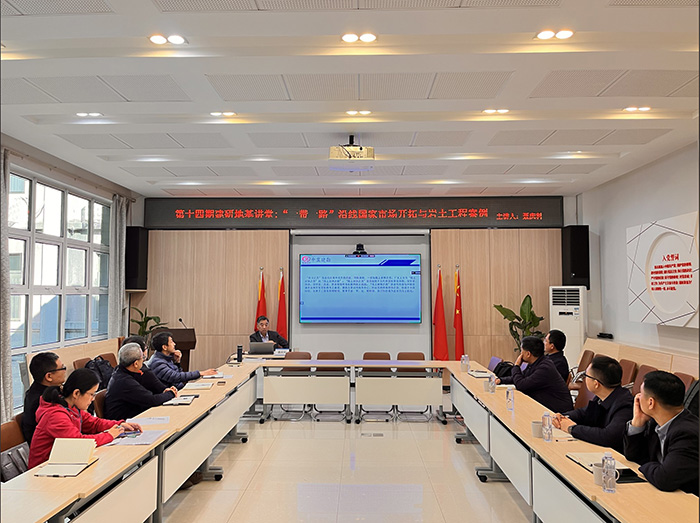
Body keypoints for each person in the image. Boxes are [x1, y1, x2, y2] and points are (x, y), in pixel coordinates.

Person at [28, 368, 142, 469]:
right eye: (91, 394)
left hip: (64, 462)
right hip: (44, 468)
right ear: (76, 393)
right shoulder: (55, 415)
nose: (93, 399)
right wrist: (109, 435)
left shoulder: (71, 406)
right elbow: (79, 442)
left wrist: (119, 425)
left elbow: (94, 423)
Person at [623, 370, 699, 495]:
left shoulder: (686, 434)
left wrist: (644, 465)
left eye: (641, 394)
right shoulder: (656, 421)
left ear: (651, 402)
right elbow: (633, 456)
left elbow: (664, 479)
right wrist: (638, 423)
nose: (638, 397)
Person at [553, 356, 633, 452]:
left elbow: (608, 436)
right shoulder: (602, 396)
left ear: (596, 384)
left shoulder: (624, 405)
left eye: (586, 376)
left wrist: (572, 428)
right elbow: (583, 413)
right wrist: (563, 417)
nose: (584, 379)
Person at [496, 336, 573, 413]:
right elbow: (522, 377)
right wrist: (501, 380)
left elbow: (521, 385)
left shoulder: (545, 368)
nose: (520, 354)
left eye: (521, 351)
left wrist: (516, 366)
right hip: (544, 406)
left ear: (528, 354)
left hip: (557, 411)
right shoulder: (537, 362)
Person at [104, 343, 178, 420]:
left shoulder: (125, 371)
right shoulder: (123, 381)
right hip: (124, 422)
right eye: (142, 357)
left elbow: (156, 388)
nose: (143, 360)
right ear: (136, 364)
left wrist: (165, 391)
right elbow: (151, 400)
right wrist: (171, 393)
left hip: (135, 415)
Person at [22, 352, 67, 444]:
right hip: (49, 447)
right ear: (49, 376)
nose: (65, 371)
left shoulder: (42, 388)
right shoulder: (42, 400)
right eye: (62, 368)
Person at [147, 331, 218, 389]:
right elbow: (176, 377)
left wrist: (177, 362)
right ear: (164, 347)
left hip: (179, 390)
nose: (174, 344)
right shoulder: (157, 362)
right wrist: (200, 373)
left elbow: (178, 377)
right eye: (171, 342)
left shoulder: (166, 357)